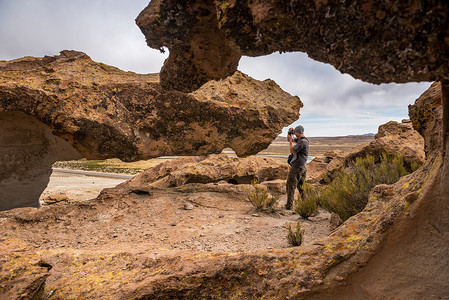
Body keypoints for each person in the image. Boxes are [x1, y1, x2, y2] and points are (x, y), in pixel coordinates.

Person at [285, 125, 309, 210]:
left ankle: (289, 206)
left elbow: (291, 150)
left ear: (299, 132)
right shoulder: (301, 139)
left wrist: (291, 143)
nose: (294, 133)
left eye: (295, 132)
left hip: (297, 167)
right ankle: (306, 203)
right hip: (302, 167)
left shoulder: (303, 142)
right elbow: (289, 139)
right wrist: (289, 133)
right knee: (301, 186)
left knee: (290, 186)